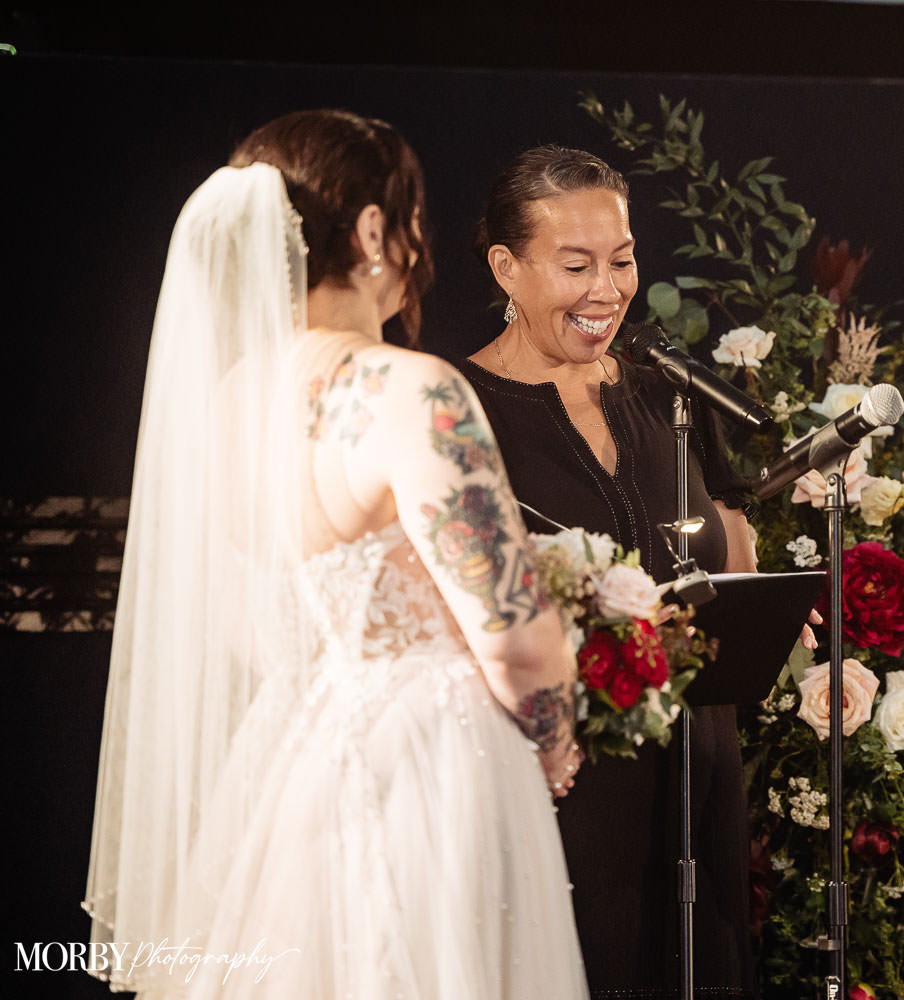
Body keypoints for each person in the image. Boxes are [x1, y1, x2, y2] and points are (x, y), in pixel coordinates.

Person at [83, 110, 589, 998]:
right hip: (436, 770)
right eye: (415, 217)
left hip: (291, 774)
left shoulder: (225, 410)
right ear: (369, 232)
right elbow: (513, 634)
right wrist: (553, 740)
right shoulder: (411, 389)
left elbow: (240, 624)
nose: (421, 242)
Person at [458, 145, 760, 999]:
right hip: (561, 786)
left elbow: (730, 545)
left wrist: (757, 604)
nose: (608, 290)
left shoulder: (672, 389)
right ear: (506, 268)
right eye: (577, 265)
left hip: (700, 774)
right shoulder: (461, 412)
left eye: (623, 260)